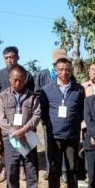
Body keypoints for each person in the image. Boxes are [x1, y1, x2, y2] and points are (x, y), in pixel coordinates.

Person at [38, 56, 86, 188]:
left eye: (67, 69)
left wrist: (74, 123)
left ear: (71, 70)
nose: (64, 72)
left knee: (72, 167)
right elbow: (43, 113)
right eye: (61, 69)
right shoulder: (46, 90)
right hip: (54, 136)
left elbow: (82, 111)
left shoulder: (79, 89)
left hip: (72, 135)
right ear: (56, 71)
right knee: (54, 169)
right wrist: (51, 126)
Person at [0, 65, 42, 188]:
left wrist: (24, 130)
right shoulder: (3, 96)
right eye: (14, 80)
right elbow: (0, 118)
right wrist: (13, 131)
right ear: (9, 79)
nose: (17, 83)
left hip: (27, 137)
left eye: (20, 80)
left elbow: (36, 115)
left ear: (25, 79)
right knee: (12, 171)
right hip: (11, 140)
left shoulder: (32, 96)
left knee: (31, 171)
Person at [0, 46, 34, 183]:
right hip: (7, 118)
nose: (9, 60)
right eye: (6, 58)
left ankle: (22, 167)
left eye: (12, 57)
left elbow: (32, 95)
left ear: (18, 57)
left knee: (24, 139)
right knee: (5, 142)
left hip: (24, 116)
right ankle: (5, 167)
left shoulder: (27, 75)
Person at [34, 48, 69, 178]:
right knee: (50, 144)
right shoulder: (44, 74)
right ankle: (51, 170)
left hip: (65, 118)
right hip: (49, 116)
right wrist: (43, 115)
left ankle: (65, 171)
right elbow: (38, 93)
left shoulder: (68, 74)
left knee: (66, 144)